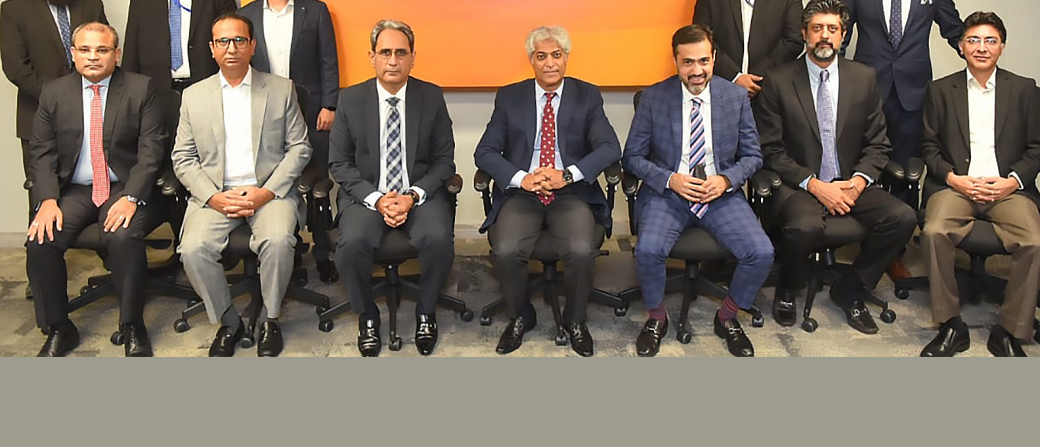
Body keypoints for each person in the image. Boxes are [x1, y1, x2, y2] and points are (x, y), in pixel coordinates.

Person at [757, 0, 916, 334]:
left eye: (832, 29)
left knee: (903, 217)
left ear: (843, 35)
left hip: (850, 181)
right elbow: (771, 149)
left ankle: (852, 286)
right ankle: (788, 287)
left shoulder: (863, 77)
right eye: (817, 29)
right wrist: (815, 185)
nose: (824, 36)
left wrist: (858, 182)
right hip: (800, 184)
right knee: (804, 227)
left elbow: (878, 143)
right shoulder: (779, 80)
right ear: (804, 33)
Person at [622, 24, 773, 357]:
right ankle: (657, 318)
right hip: (668, 195)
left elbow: (753, 156)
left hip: (719, 194)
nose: (697, 70)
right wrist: (670, 179)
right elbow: (631, 157)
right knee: (648, 251)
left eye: (703, 61)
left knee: (761, 252)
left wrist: (727, 180)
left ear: (714, 58)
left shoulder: (735, 97)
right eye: (687, 62)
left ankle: (727, 316)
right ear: (675, 61)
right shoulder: (653, 98)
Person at [474, 26, 621, 357]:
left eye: (556, 55)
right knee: (506, 249)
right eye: (542, 56)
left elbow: (610, 147)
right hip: (522, 194)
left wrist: (566, 175)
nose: (550, 63)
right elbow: (484, 152)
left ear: (566, 57)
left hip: (571, 193)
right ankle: (520, 316)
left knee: (581, 250)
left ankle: (575, 320)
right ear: (531, 60)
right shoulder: (510, 97)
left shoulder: (587, 95)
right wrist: (522, 179)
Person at [173, 14, 312, 357]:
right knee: (192, 248)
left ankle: (270, 319)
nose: (231, 48)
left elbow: (300, 147)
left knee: (278, 240)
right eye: (223, 41)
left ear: (252, 46)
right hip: (216, 195)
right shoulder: (193, 96)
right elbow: (183, 157)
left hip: (269, 193)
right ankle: (228, 321)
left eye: (239, 40)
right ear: (212, 48)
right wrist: (213, 197)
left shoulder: (280, 89)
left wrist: (267, 191)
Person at [26, 22, 165, 357]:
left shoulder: (141, 88)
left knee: (122, 235)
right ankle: (59, 326)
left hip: (124, 185)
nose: (93, 57)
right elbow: (41, 152)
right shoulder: (54, 92)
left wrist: (132, 197)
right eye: (85, 50)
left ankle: (131, 323)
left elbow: (152, 150)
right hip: (75, 190)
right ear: (73, 54)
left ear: (116, 54)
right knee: (40, 240)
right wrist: (47, 200)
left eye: (102, 50)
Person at [329, 20, 456, 357]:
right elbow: (339, 164)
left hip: (418, 194)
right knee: (351, 244)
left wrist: (412, 196)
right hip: (368, 195)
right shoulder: (350, 99)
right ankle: (367, 315)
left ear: (413, 57)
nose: (393, 61)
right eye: (385, 52)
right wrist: (377, 199)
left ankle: (426, 311)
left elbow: (444, 162)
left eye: (401, 53)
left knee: (439, 238)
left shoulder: (430, 97)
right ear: (372, 57)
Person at [919, 11, 1040, 357]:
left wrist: (1011, 181)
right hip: (956, 186)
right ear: (961, 46)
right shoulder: (941, 90)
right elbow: (928, 146)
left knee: (1033, 241)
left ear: (1002, 46)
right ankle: (950, 324)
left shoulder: (1025, 89)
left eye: (990, 40)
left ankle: (1008, 331)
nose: (981, 47)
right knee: (934, 231)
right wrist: (953, 178)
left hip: (1008, 189)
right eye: (973, 40)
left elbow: (1036, 148)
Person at [239, 0, 340, 283]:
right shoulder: (246, 15)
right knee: (278, 182)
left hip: (312, 113)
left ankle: (323, 253)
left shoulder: (315, 10)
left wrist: (330, 104)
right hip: (265, 113)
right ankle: (290, 252)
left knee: (318, 184)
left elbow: (329, 60)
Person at [838, 0, 961, 170]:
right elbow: (841, 33)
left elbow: (953, 28)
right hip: (866, 88)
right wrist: (834, 79)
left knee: (906, 169)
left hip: (914, 91)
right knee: (863, 166)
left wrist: (979, 55)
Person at [2, 0, 109, 219]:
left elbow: (104, 54)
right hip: (38, 115)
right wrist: (62, 99)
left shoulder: (92, 6)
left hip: (93, 113)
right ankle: (41, 242)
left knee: (94, 186)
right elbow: (16, 67)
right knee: (42, 193)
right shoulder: (13, 9)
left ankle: (102, 240)